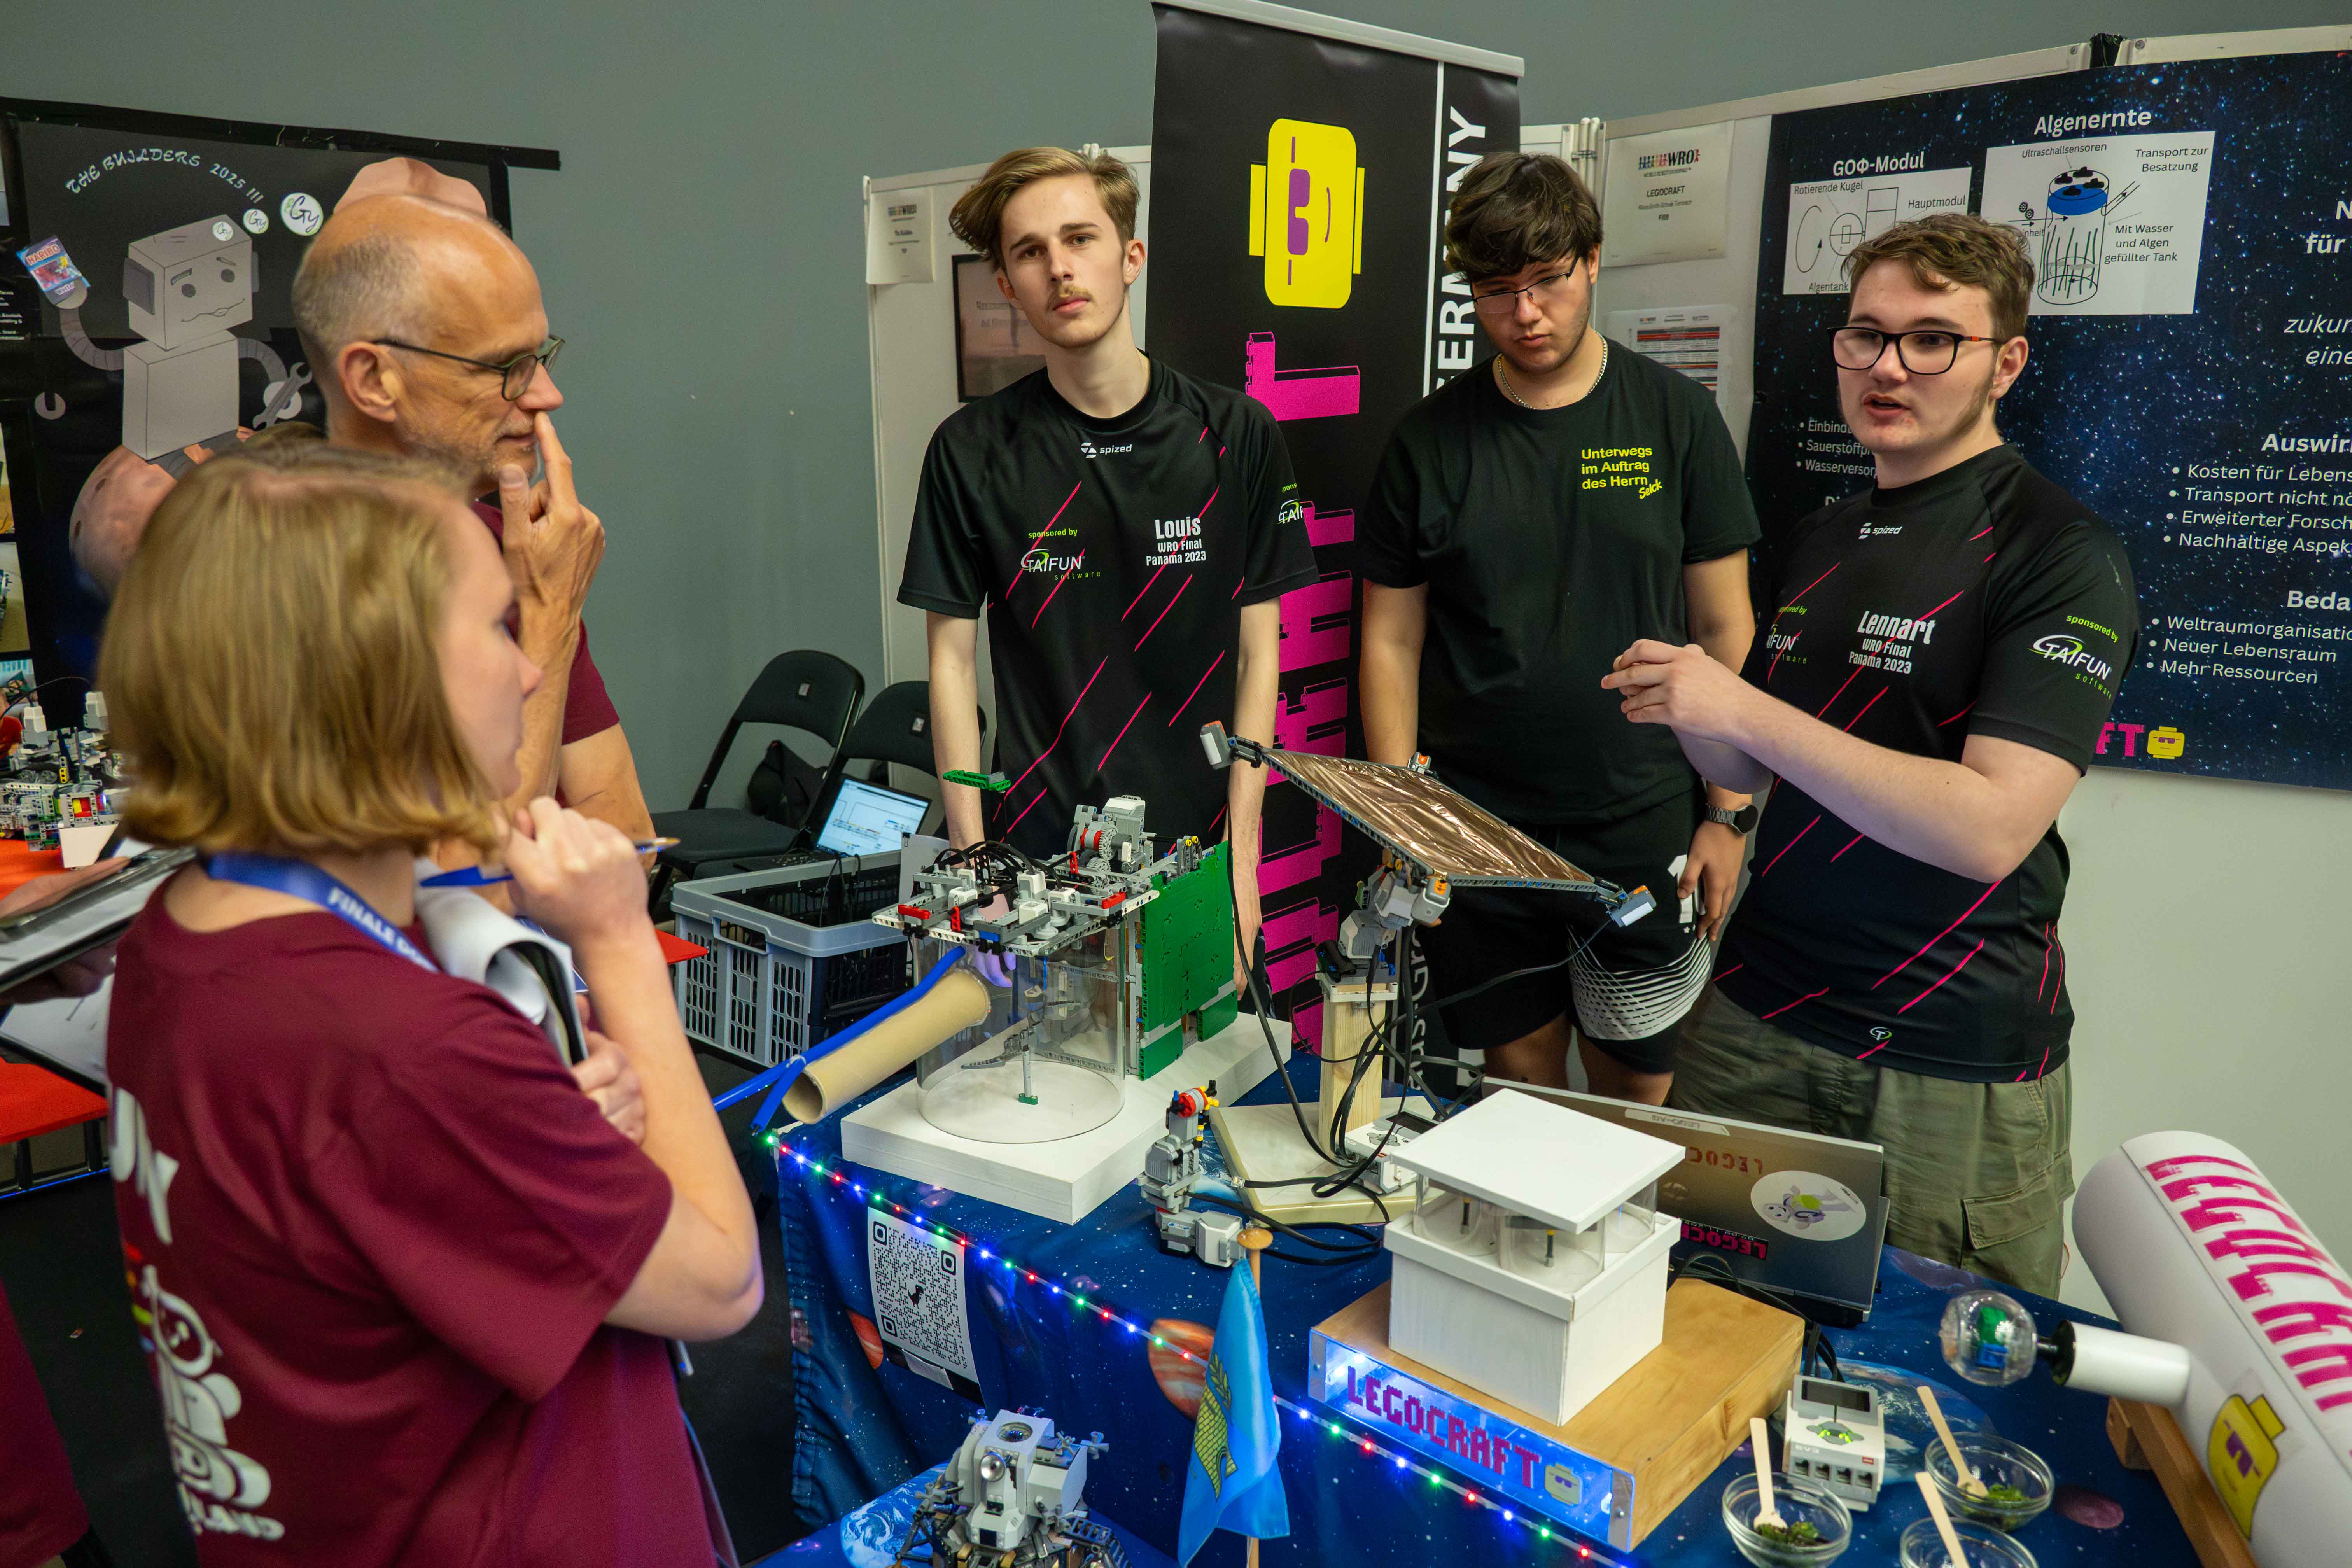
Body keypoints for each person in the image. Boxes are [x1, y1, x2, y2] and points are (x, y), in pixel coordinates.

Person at [99, 444, 758, 1563]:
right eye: (499, 628)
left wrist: (531, 1128)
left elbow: (375, 1197)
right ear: (376, 682)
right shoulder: (401, 1051)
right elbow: (721, 1277)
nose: (532, 674)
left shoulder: (181, 938)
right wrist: (617, 941)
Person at [1603, 214, 2140, 1293]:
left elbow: (1990, 827)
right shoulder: (1827, 534)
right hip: (1755, 1015)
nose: (1888, 367)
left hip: (1945, 1058)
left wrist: (1744, 712)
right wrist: (1691, 699)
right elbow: (1752, 771)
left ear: (2006, 364)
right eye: (1867, 335)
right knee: (1690, 1323)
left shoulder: (2059, 553)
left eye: (1932, 340)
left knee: (1932, 1372)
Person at [1358, 152, 1759, 1107]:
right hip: (1477, 827)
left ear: (1592, 261)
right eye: (1497, 291)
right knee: (1519, 1087)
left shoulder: (1677, 418)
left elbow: (1725, 628)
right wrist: (1403, 815)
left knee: (1633, 1095)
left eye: (1547, 280)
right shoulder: (1429, 441)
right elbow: (1389, 642)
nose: (1526, 313)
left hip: (1641, 815)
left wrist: (1729, 814)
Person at [898, 146, 1317, 959]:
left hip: (1197, 853)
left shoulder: (1235, 434)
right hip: (1034, 859)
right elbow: (950, 665)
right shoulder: (971, 451)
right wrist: (974, 859)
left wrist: (1243, 864)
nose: (1059, 268)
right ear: (1007, 285)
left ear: (1131, 257)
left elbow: (1258, 656)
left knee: (1206, 1042)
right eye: (1030, 252)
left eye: (1080, 239)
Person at [290, 191, 653, 850]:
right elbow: (474, 880)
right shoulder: (293, 582)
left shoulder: (514, 550)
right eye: (507, 367)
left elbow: (627, 835)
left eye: (541, 357)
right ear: (373, 379)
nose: (547, 395)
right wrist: (548, 616)